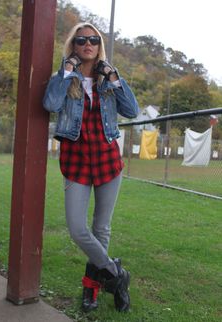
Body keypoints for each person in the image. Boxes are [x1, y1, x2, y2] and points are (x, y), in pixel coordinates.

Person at [43, 22, 139, 313]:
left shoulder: (107, 79)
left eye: (94, 40)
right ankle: (117, 275)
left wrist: (113, 75)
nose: (88, 44)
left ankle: (92, 290)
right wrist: (67, 71)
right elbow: (50, 103)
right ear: (73, 45)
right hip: (76, 164)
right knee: (77, 228)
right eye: (81, 39)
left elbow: (132, 111)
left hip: (108, 163)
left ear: (99, 46)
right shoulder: (64, 79)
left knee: (101, 230)